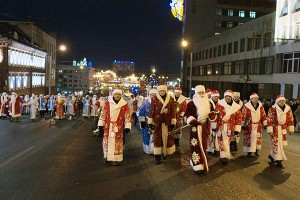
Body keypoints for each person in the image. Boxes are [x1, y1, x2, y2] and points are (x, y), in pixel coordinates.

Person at [185, 85, 217, 173]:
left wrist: (212, 116)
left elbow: (213, 114)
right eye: (200, 93)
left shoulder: (209, 103)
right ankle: (197, 165)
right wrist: (191, 120)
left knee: (203, 145)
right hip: (195, 128)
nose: (202, 94)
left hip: (205, 127)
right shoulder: (191, 103)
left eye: (203, 92)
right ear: (196, 93)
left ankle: (202, 161)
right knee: (196, 146)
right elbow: (187, 115)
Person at [98, 89, 131, 166]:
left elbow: (127, 116)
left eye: (119, 94)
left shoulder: (124, 105)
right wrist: (100, 125)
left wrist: (127, 126)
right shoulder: (107, 103)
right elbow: (103, 114)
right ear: (113, 95)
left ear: (121, 95)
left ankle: (116, 159)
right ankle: (107, 156)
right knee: (107, 141)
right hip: (108, 126)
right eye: (116, 94)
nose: (117, 96)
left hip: (118, 127)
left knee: (117, 142)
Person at [147, 84, 176, 164]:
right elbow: (152, 111)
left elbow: (173, 111)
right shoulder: (154, 99)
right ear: (158, 91)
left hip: (167, 122)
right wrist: (150, 122)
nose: (162, 92)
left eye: (163, 91)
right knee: (157, 140)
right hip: (158, 123)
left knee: (167, 138)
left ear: (165, 91)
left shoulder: (171, 99)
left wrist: (173, 121)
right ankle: (157, 157)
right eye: (160, 91)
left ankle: (165, 152)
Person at [215, 90, 242, 165]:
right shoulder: (219, 104)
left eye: (229, 96)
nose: (227, 98)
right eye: (226, 96)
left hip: (230, 127)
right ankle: (224, 157)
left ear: (231, 97)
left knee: (227, 141)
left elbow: (239, 117)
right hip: (221, 126)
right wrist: (214, 125)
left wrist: (237, 128)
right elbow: (215, 115)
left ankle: (223, 155)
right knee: (221, 141)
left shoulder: (236, 107)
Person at [266, 95, 294, 168]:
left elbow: (291, 118)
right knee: (277, 144)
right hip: (275, 129)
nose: (282, 102)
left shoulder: (288, 109)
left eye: (283, 101)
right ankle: (279, 161)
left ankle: (272, 157)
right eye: (280, 101)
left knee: (279, 144)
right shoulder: (272, 109)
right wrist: (270, 130)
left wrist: (290, 129)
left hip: (282, 129)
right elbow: (269, 119)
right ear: (277, 102)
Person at [138, 89, 157, 154]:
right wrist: (142, 121)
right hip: (147, 122)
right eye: (152, 95)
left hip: (156, 122)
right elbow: (141, 112)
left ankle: (155, 150)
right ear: (150, 95)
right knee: (147, 135)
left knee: (155, 136)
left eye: (155, 95)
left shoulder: (159, 102)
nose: (153, 96)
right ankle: (147, 149)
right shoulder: (145, 102)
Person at [207, 90, 220, 155]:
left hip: (218, 122)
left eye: (217, 97)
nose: (216, 98)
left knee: (217, 136)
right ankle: (209, 149)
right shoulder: (208, 102)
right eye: (215, 97)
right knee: (210, 136)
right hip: (210, 122)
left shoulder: (220, 103)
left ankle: (217, 149)